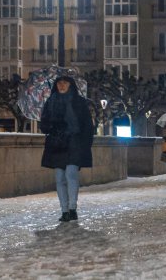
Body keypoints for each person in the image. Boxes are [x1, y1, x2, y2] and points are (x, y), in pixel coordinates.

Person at [39, 75, 95, 222]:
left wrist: (86, 144)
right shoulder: (50, 102)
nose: (62, 85)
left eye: (65, 83)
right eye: (59, 83)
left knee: (71, 174)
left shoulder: (79, 102)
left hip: (74, 141)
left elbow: (88, 126)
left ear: (71, 85)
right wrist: (50, 124)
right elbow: (43, 126)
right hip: (58, 143)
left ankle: (72, 208)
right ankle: (64, 211)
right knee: (59, 178)